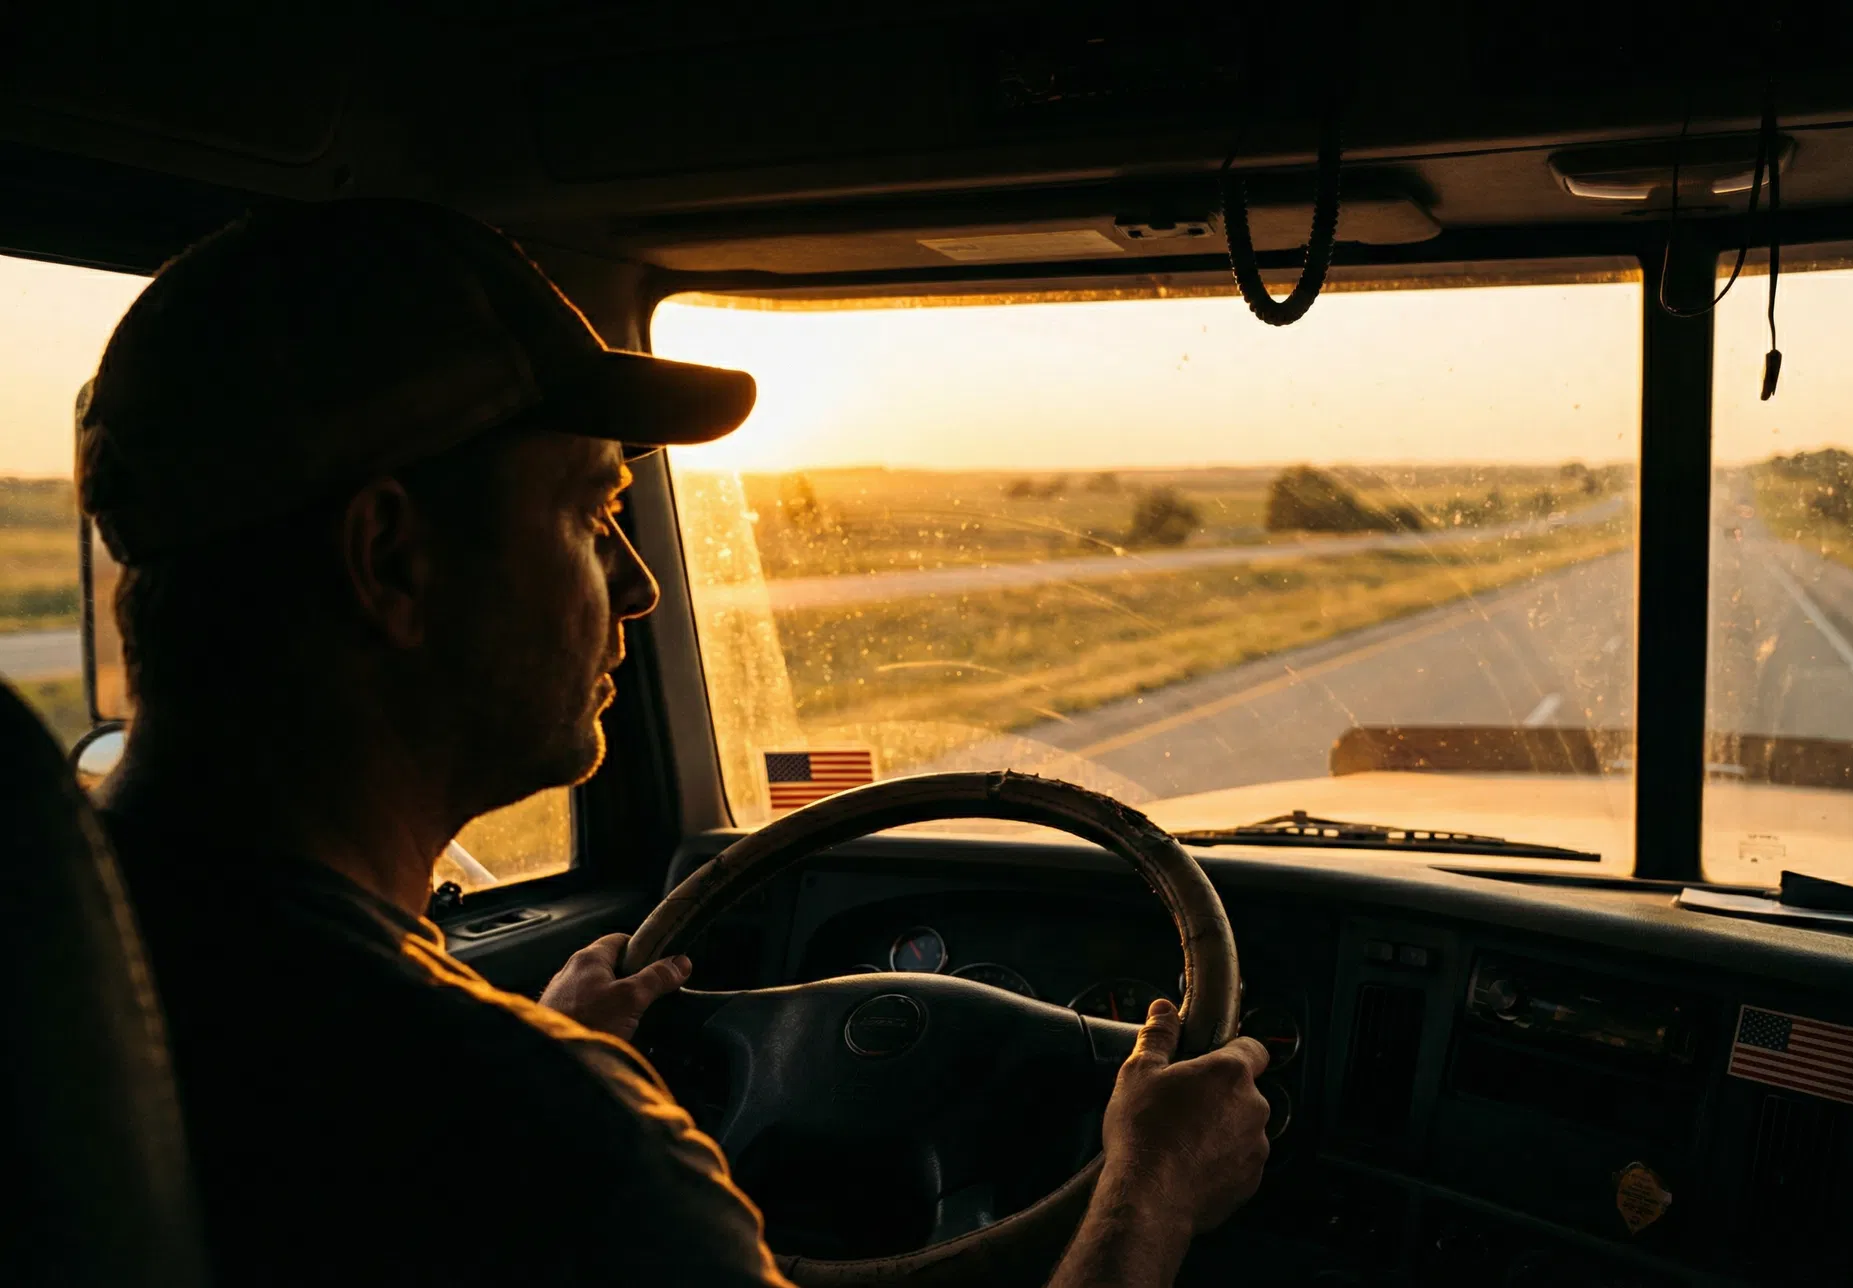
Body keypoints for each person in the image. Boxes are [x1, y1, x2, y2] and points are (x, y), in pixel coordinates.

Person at [80, 199, 1271, 1286]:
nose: (639, 584)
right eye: (592, 514)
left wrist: (555, 1034)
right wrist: (1150, 1190)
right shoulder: (541, 1142)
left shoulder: (78, 970)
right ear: (392, 561)